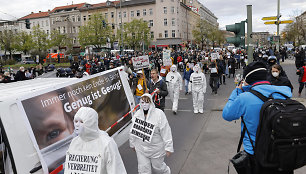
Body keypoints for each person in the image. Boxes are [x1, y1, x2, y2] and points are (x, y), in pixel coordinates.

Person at [222, 61, 293, 174]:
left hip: (256, 154)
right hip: (281, 153)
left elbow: (227, 114)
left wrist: (238, 90)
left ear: (248, 79)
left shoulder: (244, 98)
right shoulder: (283, 93)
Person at [66, 107, 127, 174]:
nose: (77, 125)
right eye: (76, 121)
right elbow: (70, 169)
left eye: (81, 122)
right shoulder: (75, 142)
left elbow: (116, 170)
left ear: (90, 123)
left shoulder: (106, 143)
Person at [129, 94, 173, 174]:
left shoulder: (159, 114)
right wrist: (132, 144)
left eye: (147, 102)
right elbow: (132, 132)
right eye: (142, 102)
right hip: (141, 149)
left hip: (156, 150)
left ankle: (166, 172)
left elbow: (166, 131)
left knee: (158, 169)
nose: (144, 104)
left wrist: (168, 147)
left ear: (151, 103)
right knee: (143, 170)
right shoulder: (137, 115)